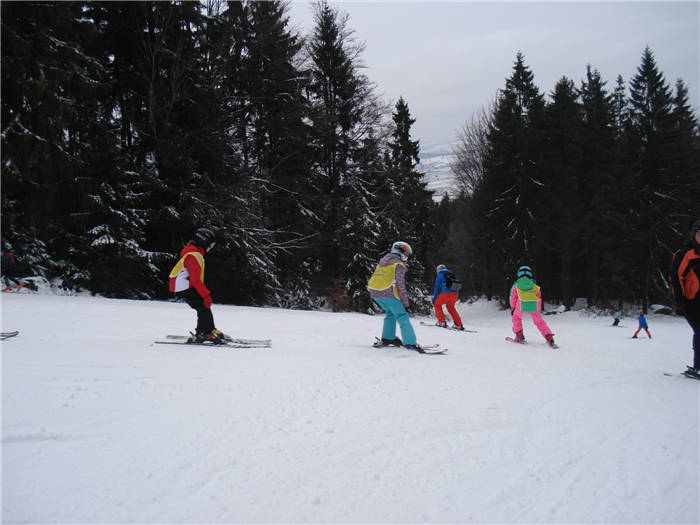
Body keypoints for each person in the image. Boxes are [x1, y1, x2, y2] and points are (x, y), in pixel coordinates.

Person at [169, 228, 228, 344]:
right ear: (204, 242)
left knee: (203, 306)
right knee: (203, 306)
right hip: (183, 286)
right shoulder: (193, 256)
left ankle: (209, 329)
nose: (211, 248)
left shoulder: (196, 254)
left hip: (185, 285)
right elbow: (195, 280)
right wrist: (205, 295)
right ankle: (204, 333)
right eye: (211, 245)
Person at [368, 241, 422, 351]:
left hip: (375, 293)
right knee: (402, 315)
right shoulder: (398, 265)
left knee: (391, 312)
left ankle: (388, 337)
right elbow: (400, 286)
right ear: (402, 254)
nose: (406, 258)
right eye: (406, 255)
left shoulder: (382, 263)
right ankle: (410, 343)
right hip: (388, 293)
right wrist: (406, 305)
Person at [669, 218, 700, 379]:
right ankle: (698, 368)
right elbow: (675, 277)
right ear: (695, 234)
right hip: (691, 302)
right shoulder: (686, 254)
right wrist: (680, 301)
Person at [509, 265, 556, 348]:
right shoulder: (534, 285)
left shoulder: (516, 285)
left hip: (521, 304)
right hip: (534, 305)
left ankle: (519, 336)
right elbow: (539, 297)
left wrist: (513, 308)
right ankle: (549, 337)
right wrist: (538, 308)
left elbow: (513, 297)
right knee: (539, 322)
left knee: (516, 317)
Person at [432, 264, 464, 330]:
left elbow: (436, 288)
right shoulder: (451, 274)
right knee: (451, 307)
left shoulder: (440, 275)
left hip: (446, 293)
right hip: (455, 294)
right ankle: (458, 324)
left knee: (437, 305)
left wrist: (434, 299)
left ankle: (441, 322)